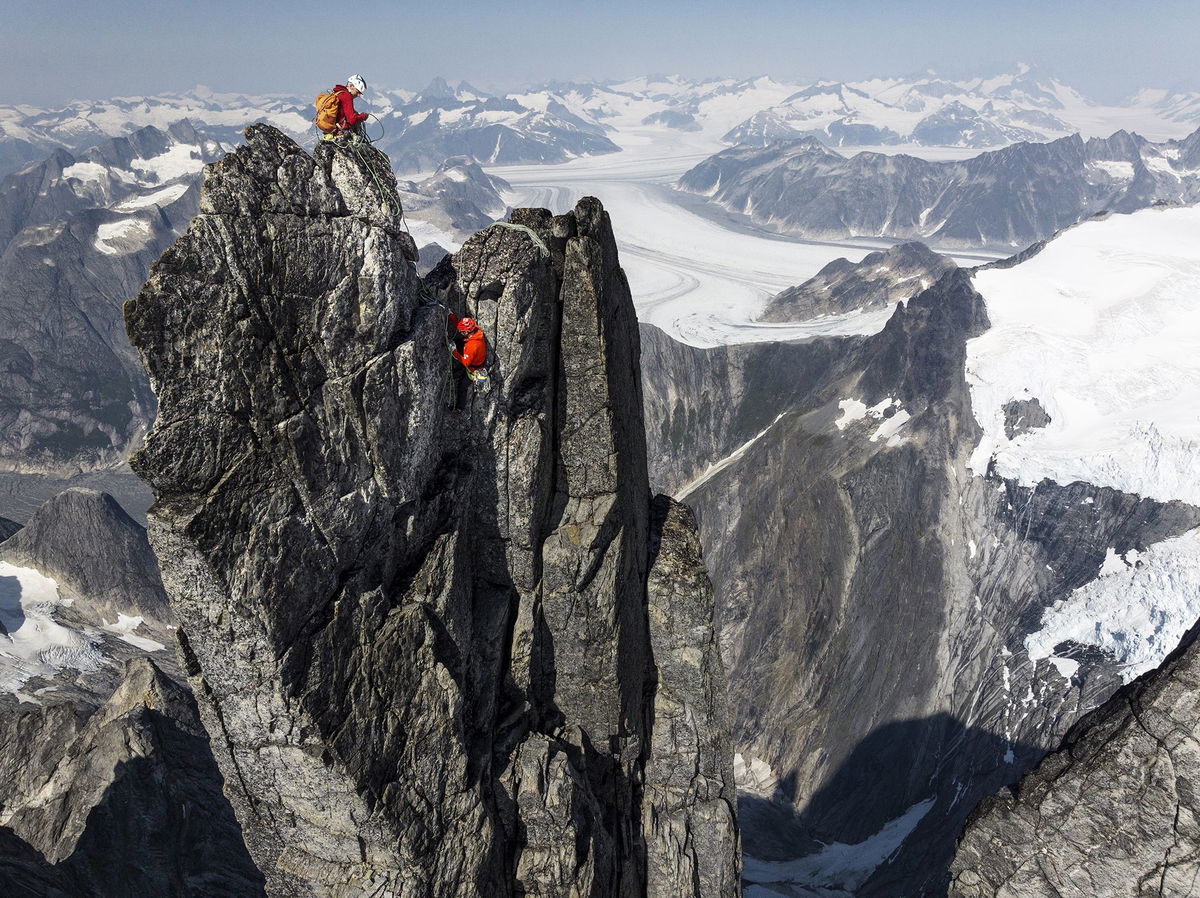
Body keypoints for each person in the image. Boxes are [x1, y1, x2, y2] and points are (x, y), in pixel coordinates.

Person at [319, 75, 369, 141]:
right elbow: (352, 119)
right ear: (351, 86)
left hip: (332, 133)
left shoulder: (337, 93)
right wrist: (363, 116)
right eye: (358, 92)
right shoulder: (346, 96)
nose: (359, 95)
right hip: (341, 134)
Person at [448, 313, 489, 381]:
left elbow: (466, 363)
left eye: (462, 332)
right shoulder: (476, 330)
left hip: (473, 367)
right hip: (478, 359)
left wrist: (453, 351)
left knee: (463, 386)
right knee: (459, 342)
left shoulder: (472, 346)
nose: (460, 332)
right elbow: (461, 327)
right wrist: (451, 316)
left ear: (466, 332)